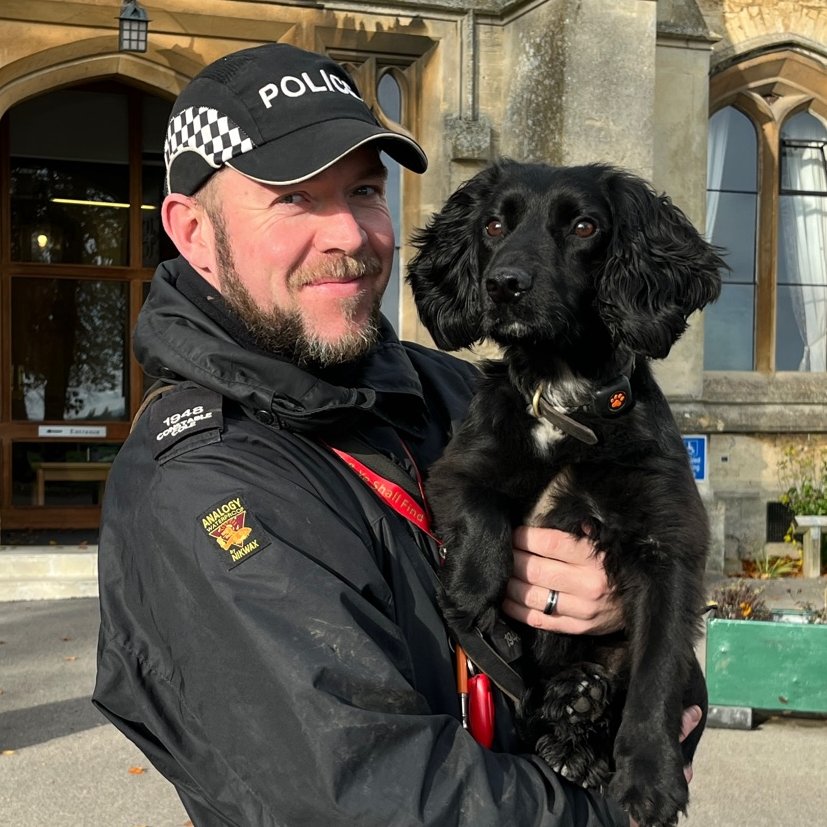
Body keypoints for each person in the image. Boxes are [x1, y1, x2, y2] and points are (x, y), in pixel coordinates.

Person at [93, 43, 701, 826]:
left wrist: (624, 622)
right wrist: (614, 816)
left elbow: (667, 670)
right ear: (193, 231)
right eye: (294, 200)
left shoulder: (451, 388)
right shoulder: (203, 487)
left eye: (364, 190)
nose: (347, 231)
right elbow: (363, 797)